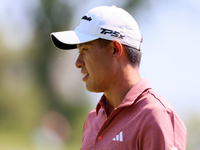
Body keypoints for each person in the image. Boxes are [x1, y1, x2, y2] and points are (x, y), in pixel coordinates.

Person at [50, 5, 187, 150]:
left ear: (115, 50)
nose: (78, 63)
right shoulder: (93, 119)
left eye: (85, 49)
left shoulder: (156, 116)